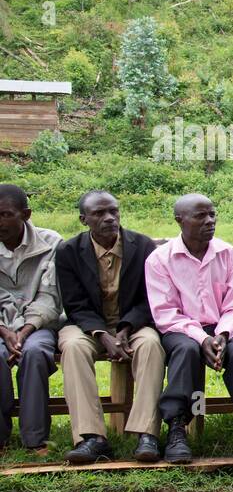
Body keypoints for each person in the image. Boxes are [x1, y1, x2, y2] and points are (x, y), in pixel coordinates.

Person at [145, 194, 233, 464]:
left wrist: (223, 335)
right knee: (186, 351)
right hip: (181, 329)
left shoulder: (230, 255)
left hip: (225, 326)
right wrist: (202, 337)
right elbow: (166, 313)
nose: (210, 221)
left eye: (212, 214)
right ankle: (178, 427)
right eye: (200, 216)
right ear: (180, 220)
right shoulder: (159, 260)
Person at [56, 190, 164, 464]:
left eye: (113, 211)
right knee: (73, 346)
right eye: (99, 214)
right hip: (88, 326)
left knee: (151, 344)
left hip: (133, 323)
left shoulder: (142, 246)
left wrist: (125, 329)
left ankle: (146, 433)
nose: (109, 218)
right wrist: (104, 336)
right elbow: (75, 304)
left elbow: (149, 298)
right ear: (83, 219)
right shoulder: (69, 252)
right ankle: (92, 438)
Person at [0, 185, 61, 452]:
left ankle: (35, 439)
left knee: (35, 353)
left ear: (25, 214)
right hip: (1, 325)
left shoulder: (51, 243)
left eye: (5, 214)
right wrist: (4, 331)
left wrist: (22, 333)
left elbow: (50, 297)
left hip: (38, 324)